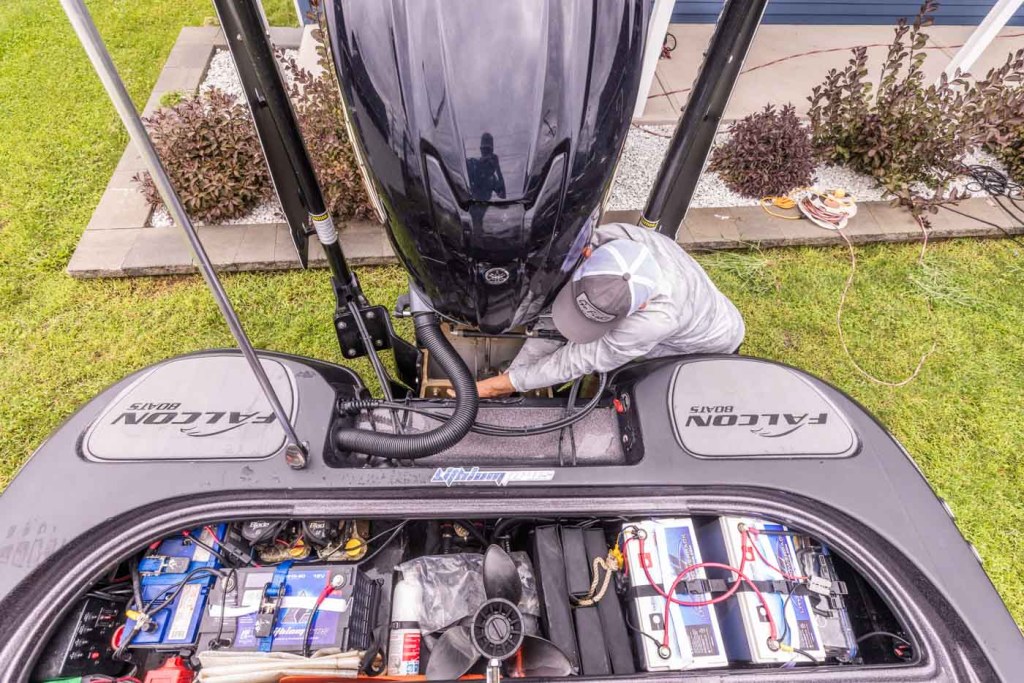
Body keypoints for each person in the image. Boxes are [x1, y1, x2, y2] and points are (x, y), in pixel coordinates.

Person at [475, 222, 745, 398]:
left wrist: (499, 386)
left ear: (641, 305)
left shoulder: (653, 320)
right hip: (687, 302)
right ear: (587, 256)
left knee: (621, 387)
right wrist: (513, 375)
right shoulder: (612, 238)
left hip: (700, 347)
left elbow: (577, 360)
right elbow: (551, 318)